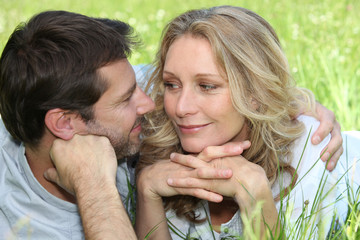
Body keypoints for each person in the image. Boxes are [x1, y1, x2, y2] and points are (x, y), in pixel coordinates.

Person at [133, 6, 360, 239]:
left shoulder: (311, 150)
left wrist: (255, 192)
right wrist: (146, 189)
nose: (181, 107)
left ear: (255, 93)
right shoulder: (156, 145)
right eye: (172, 84)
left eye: (207, 86)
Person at [0, 10, 157, 239]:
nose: (149, 104)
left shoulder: (107, 86)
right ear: (65, 123)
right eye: (126, 98)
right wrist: (94, 188)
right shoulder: (20, 229)